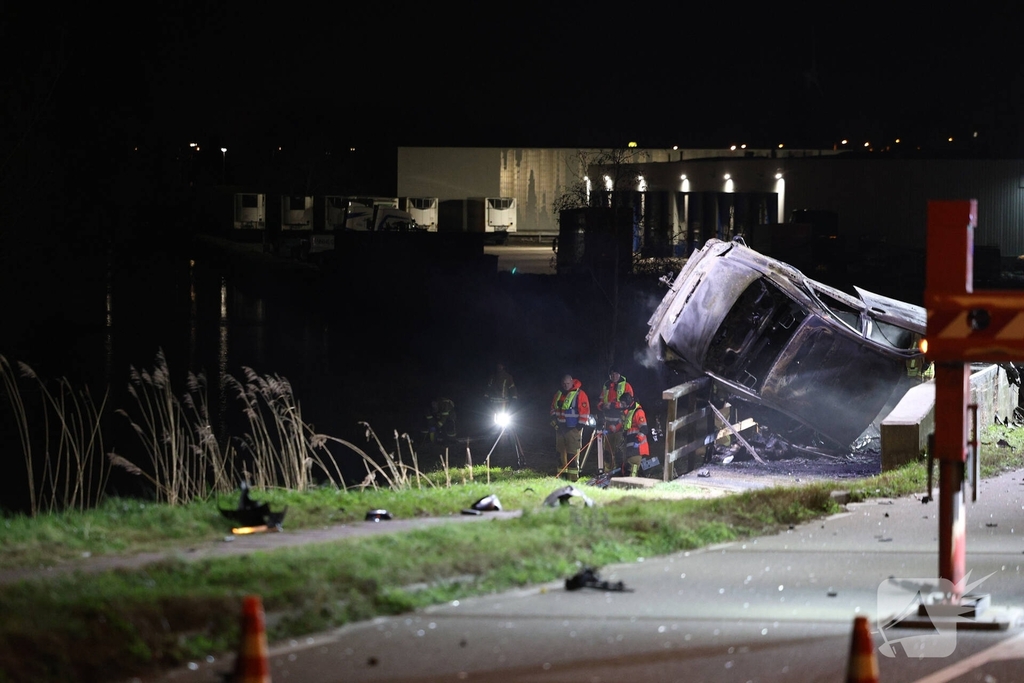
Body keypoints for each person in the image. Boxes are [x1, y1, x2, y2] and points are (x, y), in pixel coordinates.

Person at [549, 374, 591, 480]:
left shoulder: (580, 394)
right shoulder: (558, 394)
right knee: (560, 453)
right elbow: (552, 409)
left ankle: (573, 478)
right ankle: (561, 476)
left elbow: (585, 412)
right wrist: (554, 422)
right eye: (564, 383)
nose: (565, 385)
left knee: (572, 454)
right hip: (560, 428)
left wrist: (579, 426)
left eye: (567, 383)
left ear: (572, 382)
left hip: (573, 429)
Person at [596, 368, 634, 470]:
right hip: (607, 421)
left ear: (619, 374)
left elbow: (629, 403)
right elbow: (600, 401)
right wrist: (602, 406)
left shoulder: (626, 386)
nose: (614, 376)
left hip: (620, 422)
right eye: (612, 374)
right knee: (607, 451)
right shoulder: (606, 385)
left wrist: (612, 405)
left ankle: (620, 471)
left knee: (619, 451)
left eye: (616, 373)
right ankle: (608, 472)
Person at [618, 392, 650, 477]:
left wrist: (637, 440)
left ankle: (631, 486)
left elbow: (644, 429)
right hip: (630, 445)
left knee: (633, 468)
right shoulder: (629, 412)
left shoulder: (638, 412)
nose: (621, 405)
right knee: (629, 467)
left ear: (628, 402)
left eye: (623, 403)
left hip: (637, 446)